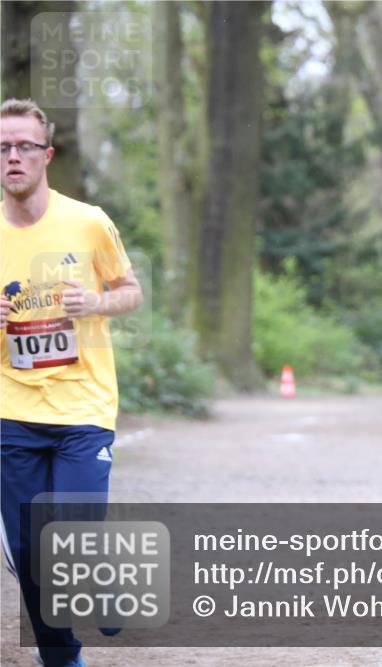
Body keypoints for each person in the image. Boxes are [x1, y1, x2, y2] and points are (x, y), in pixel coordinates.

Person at [0, 99, 143, 667]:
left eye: (24, 147)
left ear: (46, 156)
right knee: (31, 550)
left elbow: (131, 291)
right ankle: (60, 656)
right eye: (3, 147)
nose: (13, 156)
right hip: (12, 409)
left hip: (84, 406)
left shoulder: (87, 220)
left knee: (76, 528)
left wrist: (97, 300)